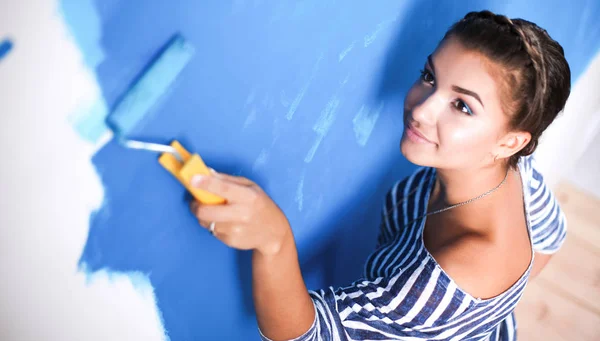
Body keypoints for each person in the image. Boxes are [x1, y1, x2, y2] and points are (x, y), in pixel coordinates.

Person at [188, 10, 571, 341]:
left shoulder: (443, 284)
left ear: (510, 141)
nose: (421, 110)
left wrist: (274, 242)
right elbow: (551, 236)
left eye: (462, 106)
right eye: (429, 77)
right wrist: (484, 314)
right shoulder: (518, 168)